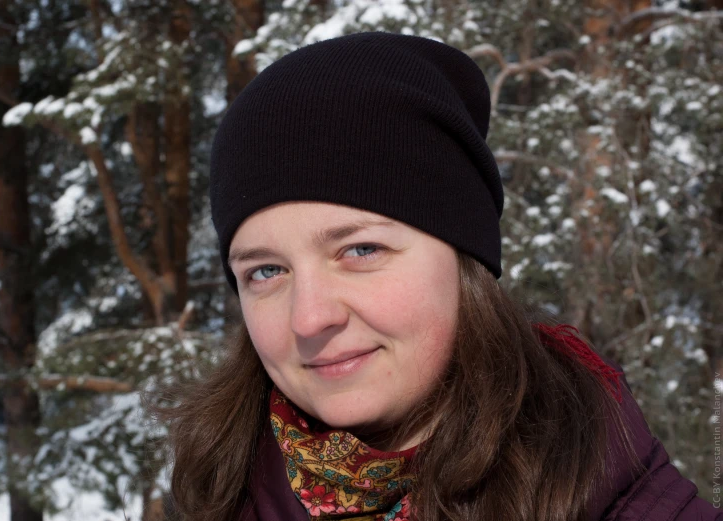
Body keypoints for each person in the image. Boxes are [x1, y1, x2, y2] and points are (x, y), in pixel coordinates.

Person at [155, 31, 723, 520]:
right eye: (266, 271)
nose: (309, 318)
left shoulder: (619, 494)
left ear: (463, 258)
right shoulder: (214, 492)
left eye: (360, 250)